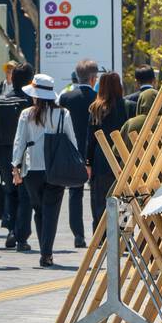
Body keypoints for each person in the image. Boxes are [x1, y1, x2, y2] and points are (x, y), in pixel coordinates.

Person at [12, 73, 79, 267]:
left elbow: (20, 141)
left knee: (39, 209)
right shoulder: (63, 113)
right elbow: (71, 140)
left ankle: (45, 250)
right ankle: (46, 252)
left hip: (32, 167)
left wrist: (15, 165)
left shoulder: (27, 113)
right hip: (56, 167)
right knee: (52, 210)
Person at [57, 59, 99, 248]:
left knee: (75, 193)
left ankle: (78, 235)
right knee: (97, 194)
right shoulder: (99, 98)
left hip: (72, 152)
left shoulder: (66, 98)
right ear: (93, 78)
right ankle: (98, 233)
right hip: (96, 152)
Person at [0, 63, 34, 249]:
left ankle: (10, 230)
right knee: (25, 194)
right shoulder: (31, 103)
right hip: (26, 153)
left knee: (10, 191)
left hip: (3, 153)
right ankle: (21, 236)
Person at [87, 71, 127, 230]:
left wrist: (88, 162)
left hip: (100, 158)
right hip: (123, 158)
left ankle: (101, 234)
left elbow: (90, 140)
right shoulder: (127, 106)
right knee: (123, 198)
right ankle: (124, 233)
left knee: (100, 199)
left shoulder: (96, 108)